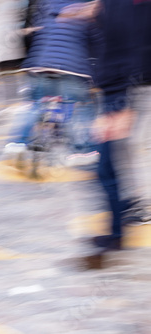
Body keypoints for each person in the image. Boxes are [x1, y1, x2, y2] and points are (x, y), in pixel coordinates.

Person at [58, 0, 151, 250]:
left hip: (122, 93)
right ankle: (119, 227)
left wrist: (126, 101)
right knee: (108, 167)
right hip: (114, 92)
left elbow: (135, 45)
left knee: (106, 168)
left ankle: (117, 233)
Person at [3, 0, 101, 164]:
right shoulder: (87, 7)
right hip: (72, 66)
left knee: (35, 104)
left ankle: (17, 143)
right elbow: (96, 39)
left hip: (41, 63)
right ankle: (82, 150)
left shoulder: (47, 3)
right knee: (84, 105)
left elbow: (36, 32)